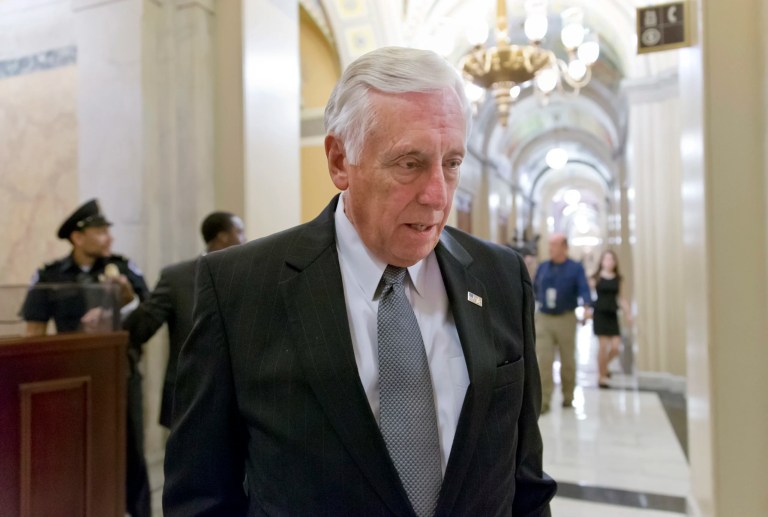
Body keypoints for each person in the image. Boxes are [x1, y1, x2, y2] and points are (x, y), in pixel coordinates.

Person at [163, 46, 556, 516]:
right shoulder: (239, 290)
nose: (437, 195)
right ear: (338, 161)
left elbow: (525, 484)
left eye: (451, 163)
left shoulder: (501, 278)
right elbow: (201, 498)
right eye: (409, 163)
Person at [20, 198, 152, 517]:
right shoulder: (50, 275)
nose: (109, 238)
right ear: (78, 238)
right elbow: (34, 332)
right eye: (101, 231)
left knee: (128, 451)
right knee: (70, 450)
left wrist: (125, 300)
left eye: (108, 231)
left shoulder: (122, 270)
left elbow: (149, 312)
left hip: (119, 374)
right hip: (70, 378)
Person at [124, 211, 246, 429]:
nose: (245, 238)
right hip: (189, 399)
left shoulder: (249, 274)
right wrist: (128, 304)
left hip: (240, 399)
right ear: (223, 237)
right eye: (240, 232)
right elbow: (140, 329)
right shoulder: (176, 278)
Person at [533, 233, 592, 413]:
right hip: (544, 318)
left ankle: (568, 396)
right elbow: (534, 289)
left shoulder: (575, 268)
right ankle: (544, 401)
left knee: (567, 360)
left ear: (565, 247)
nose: (551, 248)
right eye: (549, 245)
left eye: (555, 245)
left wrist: (587, 307)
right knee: (544, 360)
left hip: (566, 317)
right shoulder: (543, 268)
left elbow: (584, 289)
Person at [589, 249, 632, 388]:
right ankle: (601, 376)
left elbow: (621, 297)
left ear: (615, 262)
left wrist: (628, 312)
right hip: (600, 313)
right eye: (606, 259)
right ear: (601, 261)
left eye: (611, 259)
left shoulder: (618, 278)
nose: (609, 262)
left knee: (615, 347)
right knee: (602, 347)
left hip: (612, 314)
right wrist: (586, 310)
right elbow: (588, 295)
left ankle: (604, 367)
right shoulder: (596, 277)